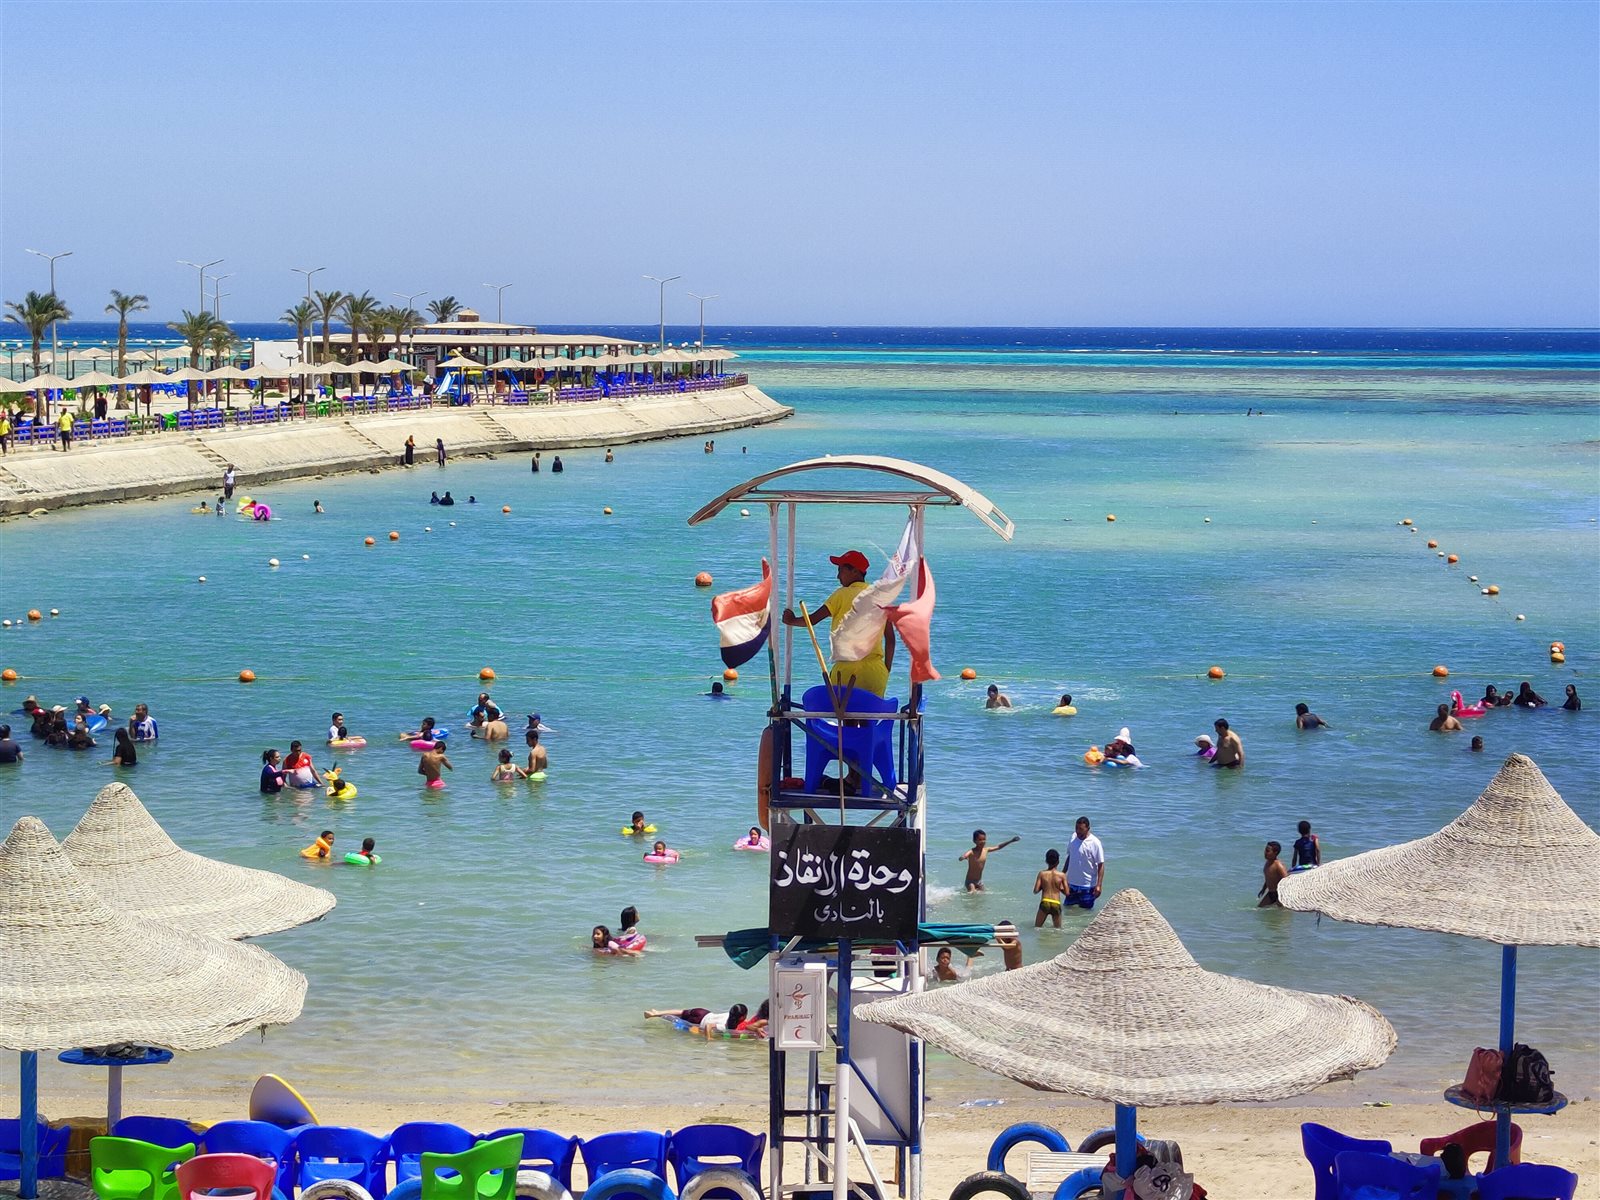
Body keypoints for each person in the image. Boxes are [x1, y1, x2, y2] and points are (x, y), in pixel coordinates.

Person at [780, 549, 897, 697]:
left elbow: (812, 620)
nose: (838, 576)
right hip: (875, 673)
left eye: (841, 571)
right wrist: (886, 670)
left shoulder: (841, 594)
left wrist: (791, 620)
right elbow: (890, 639)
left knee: (843, 711)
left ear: (855, 571)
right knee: (870, 710)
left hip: (846, 672)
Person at [1064, 816, 1105, 908]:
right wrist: (1062, 874)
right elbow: (1070, 856)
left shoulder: (1095, 843)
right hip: (1071, 885)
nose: (1078, 831)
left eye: (1081, 829)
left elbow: (1101, 865)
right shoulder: (1073, 837)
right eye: (1076, 828)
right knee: (1067, 910)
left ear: (1088, 829)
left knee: (1085, 913)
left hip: (1087, 887)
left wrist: (1099, 885)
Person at [644, 1004, 748, 1035]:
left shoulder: (728, 1015)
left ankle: (656, 1013)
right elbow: (708, 1026)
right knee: (678, 1019)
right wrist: (709, 1040)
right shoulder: (725, 1026)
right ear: (742, 1017)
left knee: (681, 1012)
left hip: (703, 1012)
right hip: (699, 1021)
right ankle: (656, 1015)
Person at [1033, 848, 1068, 928]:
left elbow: (1035, 890)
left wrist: (1044, 885)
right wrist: (1059, 887)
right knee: (1057, 930)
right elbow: (1067, 893)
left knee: (1037, 927)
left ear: (1046, 861)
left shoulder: (1042, 874)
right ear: (1058, 862)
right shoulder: (1062, 875)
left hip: (1045, 902)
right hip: (1056, 903)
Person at [1258, 841, 1288, 907]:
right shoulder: (1267, 863)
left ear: (1275, 852)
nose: (1265, 853)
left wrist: (1282, 897)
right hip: (1270, 893)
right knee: (1259, 908)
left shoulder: (1278, 865)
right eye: (1265, 850)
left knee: (1282, 911)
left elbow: (1287, 881)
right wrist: (1263, 889)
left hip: (1279, 894)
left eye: (1267, 851)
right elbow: (1269, 878)